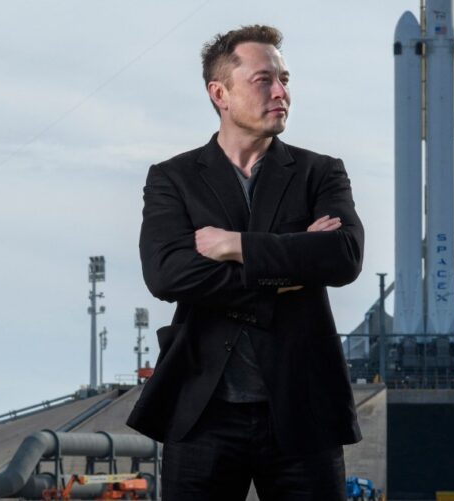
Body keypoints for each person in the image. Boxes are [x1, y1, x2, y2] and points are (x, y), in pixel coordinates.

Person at [126, 24, 365, 500]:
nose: (281, 92)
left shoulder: (319, 172)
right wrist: (289, 266)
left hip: (303, 410)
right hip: (202, 413)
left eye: (285, 79)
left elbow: (343, 256)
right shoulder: (173, 179)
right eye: (263, 80)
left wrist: (236, 245)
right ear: (220, 94)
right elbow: (168, 274)